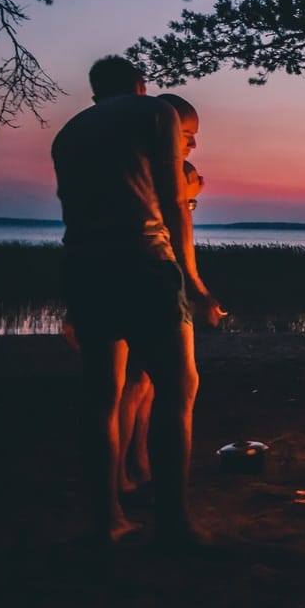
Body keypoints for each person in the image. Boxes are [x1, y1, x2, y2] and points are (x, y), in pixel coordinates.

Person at [52, 56, 224, 546]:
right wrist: (193, 281)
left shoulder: (68, 132)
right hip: (144, 262)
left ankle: (106, 520)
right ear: (140, 86)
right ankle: (174, 523)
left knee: (100, 397)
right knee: (179, 387)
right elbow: (171, 202)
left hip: (84, 266)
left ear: (94, 92)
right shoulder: (154, 114)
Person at [117, 93, 206, 495]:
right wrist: (193, 282)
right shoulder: (156, 169)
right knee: (136, 382)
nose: (191, 142)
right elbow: (170, 214)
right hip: (149, 272)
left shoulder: (158, 167)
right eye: (186, 133)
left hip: (142, 269)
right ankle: (121, 472)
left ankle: (139, 460)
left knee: (148, 384)